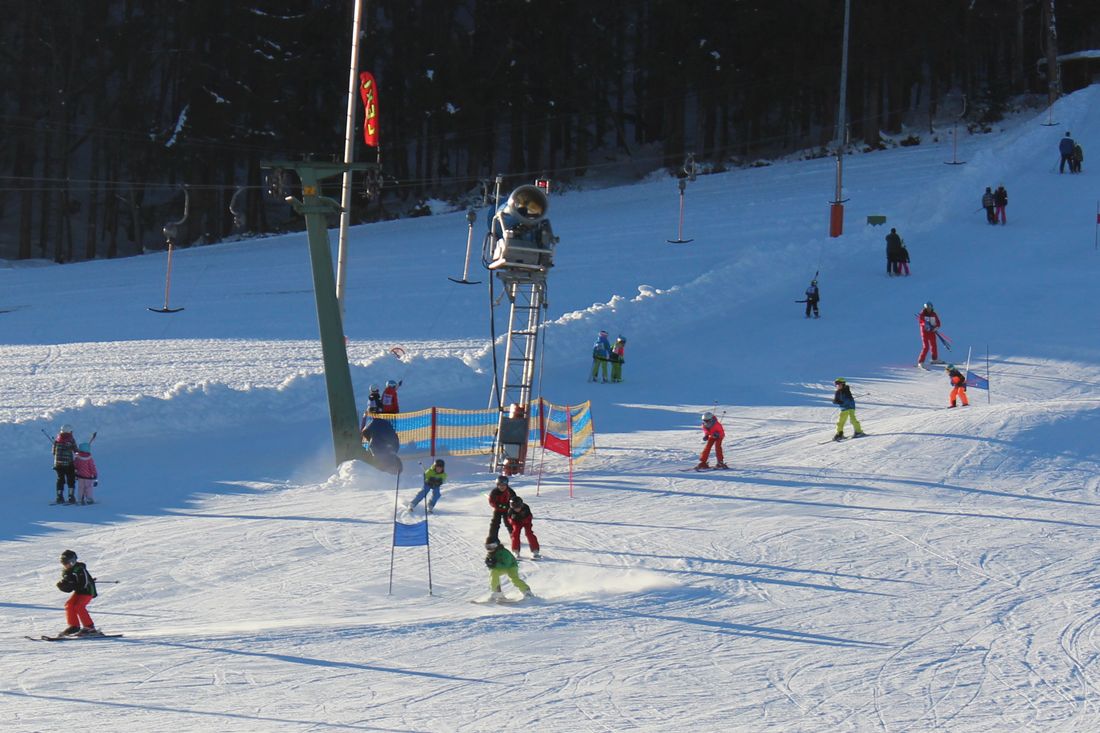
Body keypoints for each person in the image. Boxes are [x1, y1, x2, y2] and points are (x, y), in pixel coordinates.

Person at [56, 549, 98, 636]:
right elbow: (69, 587)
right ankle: (74, 626)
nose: (67, 565)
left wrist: (72, 585)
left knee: (79, 606)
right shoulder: (66, 572)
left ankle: (90, 628)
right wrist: (64, 586)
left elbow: (84, 583)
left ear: (74, 561)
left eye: (69, 563)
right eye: (64, 564)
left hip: (87, 591)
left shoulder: (80, 569)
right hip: (79, 592)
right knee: (69, 605)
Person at [52, 424, 78, 504]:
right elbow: (76, 450)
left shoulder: (57, 439)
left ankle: (59, 496)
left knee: (60, 479)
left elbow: (53, 452)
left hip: (58, 464)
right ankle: (71, 496)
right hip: (68, 464)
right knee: (71, 479)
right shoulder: (71, 439)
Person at [487, 475, 517, 543]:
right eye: (500, 485)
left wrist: (511, 506)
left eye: (504, 485)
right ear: (497, 485)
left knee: (509, 523)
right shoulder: (494, 492)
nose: (502, 487)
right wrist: (499, 505)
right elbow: (491, 501)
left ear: (507, 485)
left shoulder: (510, 492)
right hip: (498, 510)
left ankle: (514, 536)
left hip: (507, 510)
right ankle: (493, 538)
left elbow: (514, 500)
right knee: (495, 523)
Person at [916, 301, 942, 368]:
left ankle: (934, 359)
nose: (928, 309)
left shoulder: (934, 314)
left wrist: (936, 327)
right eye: (927, 308)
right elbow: (921, 321)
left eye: (930, 308)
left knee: (934, 345)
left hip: (932, 332)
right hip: (925, 333)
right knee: (926, 347)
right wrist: (925, 324)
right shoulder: (922, 314)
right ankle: (920, 361)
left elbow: (938, 322)